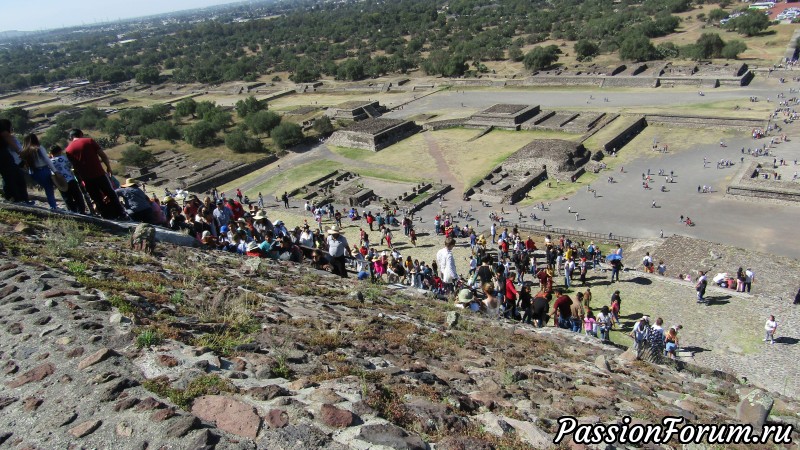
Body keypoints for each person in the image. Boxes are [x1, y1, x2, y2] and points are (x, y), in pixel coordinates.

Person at [65, 129, 126, 219]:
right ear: (81, 134)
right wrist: (108, 167)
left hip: (86, 178)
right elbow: (102, 155)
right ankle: (121, 213)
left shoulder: (68, 150)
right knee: (110, 193)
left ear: (71, 138)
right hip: (99, 173)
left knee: (96, 198)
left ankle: (106, 216)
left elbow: (74, 166)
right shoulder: (89, 141)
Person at [20, 133, 59, 210]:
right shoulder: (39, 148)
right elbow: (47, 160)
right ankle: (53, 206)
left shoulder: (24, 151)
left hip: (32, 172)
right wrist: (55, 171)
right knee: (49, 189)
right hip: (43, 170)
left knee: (43, 187)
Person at [49, 145, 86, 214]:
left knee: (67, 197)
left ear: (51, 153)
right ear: (59, 151)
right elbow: (70, 166)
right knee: (77, 196)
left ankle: (72, 211)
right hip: (70, 179)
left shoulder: (50, 162)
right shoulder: (64, 158)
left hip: (61, 182)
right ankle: (81, 211)